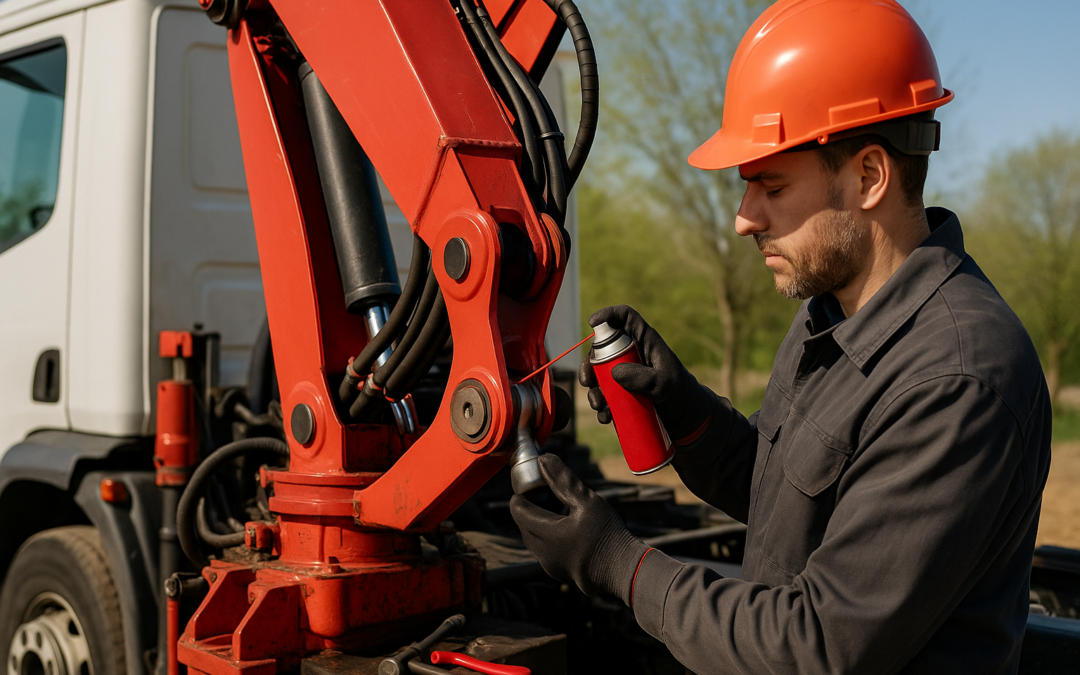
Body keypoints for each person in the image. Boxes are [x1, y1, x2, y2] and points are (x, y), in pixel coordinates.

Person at [509, 0, 1053, 673]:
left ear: (869, 176)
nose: (744, 219)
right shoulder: (829, 314)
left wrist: (618, 563)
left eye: (770, 184)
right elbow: (787, 502)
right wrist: (687, 413)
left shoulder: (958, 377)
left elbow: (817, 644)